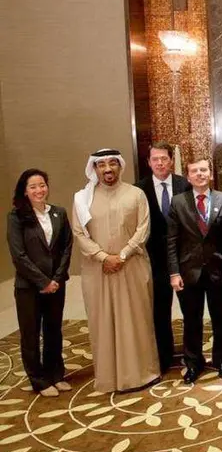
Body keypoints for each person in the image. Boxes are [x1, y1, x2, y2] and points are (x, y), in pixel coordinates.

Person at [71, 149, 160, 392]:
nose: (107, 169)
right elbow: (79, 233)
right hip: (98, 270)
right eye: (101, 165)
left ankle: (142, 373)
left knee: (136, 319)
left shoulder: (136, 194)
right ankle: (109, 376)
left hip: (132, 266)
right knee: (104, 321)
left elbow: (143, 229)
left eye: (112, 164)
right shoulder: (82, 199)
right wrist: (103, 257)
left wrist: (121, 256)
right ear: (94, 169)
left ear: (120, 167)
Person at [7, 169, 73, 397]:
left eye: (42, 185)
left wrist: (56, 279)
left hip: (56, 284)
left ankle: (56, 374)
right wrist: (43, 281)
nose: (39, 190)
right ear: (25, 191)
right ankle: (39, 380)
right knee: (31, 333)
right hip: (29, 287)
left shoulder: (59, 213)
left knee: (54, 330)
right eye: (33, 186)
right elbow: (18, 255)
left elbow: (66, 247)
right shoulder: (16, 217)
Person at [167, 158, 222, 384]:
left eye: (203, 170)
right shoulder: (178, 202)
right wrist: (174, 273)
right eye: (194, 171)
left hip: (219, 270)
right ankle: (194, 364)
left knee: (221, 319)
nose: (199, 174)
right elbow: (172, 241)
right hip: (188, 272)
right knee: (191, 320)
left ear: (211, 174)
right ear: (188, 177)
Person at [135, 142, 191, 373]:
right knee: (159, 310)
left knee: (191, 309)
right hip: (155, 261)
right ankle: (164, 356)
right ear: (148, 162)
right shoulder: (139, 190)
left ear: (171, 161)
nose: (160, 163)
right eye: (155, 159)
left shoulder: (184, 185)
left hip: (185, 259)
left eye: (164, 159)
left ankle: (191, 354)